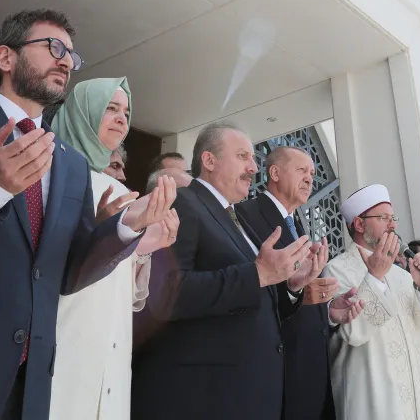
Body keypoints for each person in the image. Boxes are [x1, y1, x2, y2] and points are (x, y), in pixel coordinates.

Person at [0, 9, 175, 420]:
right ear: (6, 58)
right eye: (53, 47)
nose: (66, 61)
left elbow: (66, 273)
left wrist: (125, 228)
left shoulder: (67, 162)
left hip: (36, 384)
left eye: (71, 54)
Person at [132, 121, 322, 420]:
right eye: (243, 156)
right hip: (201, 397)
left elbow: (251, 300)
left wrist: (291, 285)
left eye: (253, 159)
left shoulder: (235, 218)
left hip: (241, 396)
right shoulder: (183, 202)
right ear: (209, 160)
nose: (254, 168)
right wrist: (258, 274)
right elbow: (165, 292)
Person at [49, 78, 179, 420]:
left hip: (111, 346)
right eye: (111, 107)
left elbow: (128, 293)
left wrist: (145, 246)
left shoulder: (117, 189)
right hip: (64, 336)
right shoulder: (51, 173)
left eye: (126, 111)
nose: (122, 118)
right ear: (82, 113)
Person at [236, 146, 363, 420]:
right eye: (301, 170)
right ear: (275, 172)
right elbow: (255, 287)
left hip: (311, 367)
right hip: (278, 371)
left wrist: (327, 312)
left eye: (313, 173)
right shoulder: (246, 215)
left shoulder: (296, 223)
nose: (310, 179)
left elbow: (301, 290)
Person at [322, 184, 420, 420]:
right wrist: (375, 278)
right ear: (359, 224)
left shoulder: (402, 273)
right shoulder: (337, 269)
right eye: (384, 218)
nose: (393, 225)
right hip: (375, 400)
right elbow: (353, 333)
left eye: (393, 218)